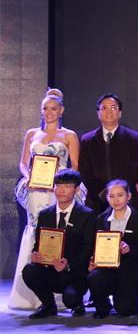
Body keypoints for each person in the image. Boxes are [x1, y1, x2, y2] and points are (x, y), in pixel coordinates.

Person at [10, 88, 86, 310]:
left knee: (59, 230)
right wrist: (29, 177)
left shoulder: (69, 135)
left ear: (61, 110)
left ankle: (61, 287)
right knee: (36, 228)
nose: (49, 112)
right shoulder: (32, 134)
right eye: (45, 108)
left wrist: (62, 183)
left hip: (58, 189)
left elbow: (75, 165)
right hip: (36, 189)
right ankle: (33, 294)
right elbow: (23, 163)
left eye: (53, 109)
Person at [22, 169, 96, 318]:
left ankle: (77, 304)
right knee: (29, 270)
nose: (61, 190)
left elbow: (88, 249)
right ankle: (49, 306)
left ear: (76, 189)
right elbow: (39, 244)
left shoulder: (87, 215)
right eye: (58, 186)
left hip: (75, 272)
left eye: (67, 186)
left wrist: (68, 264)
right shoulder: (45, 214)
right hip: (51, 269)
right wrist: (36, 255)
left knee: (70, 299)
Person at [87, 180, 138, 319]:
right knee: (94, 277)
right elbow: (94, 246)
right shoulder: (101, 219)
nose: (116, 200)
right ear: (107, 198)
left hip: (130, 270)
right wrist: (93, 259)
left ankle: (128, 300)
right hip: (107, 269)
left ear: (128, 196)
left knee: (125, 310)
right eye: (111, 196)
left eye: (120, 195)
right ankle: (103, 306)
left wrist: (129, 249)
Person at [80, 93, 138, 214]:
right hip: (96, 201)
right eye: (104, 108)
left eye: (113, 107)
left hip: (127, 199)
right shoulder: (87, 140)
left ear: (120, 113)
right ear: (98, 113)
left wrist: (120, 193)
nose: (109, 111)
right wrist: (103, 193)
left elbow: (137, 168)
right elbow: (85, 171)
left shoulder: (133, 138)